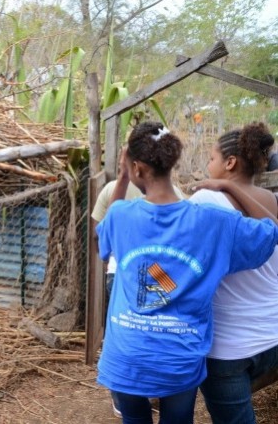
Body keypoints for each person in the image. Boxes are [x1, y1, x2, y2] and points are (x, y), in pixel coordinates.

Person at [96, 121, 278, 424]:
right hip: (179, 357)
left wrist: (122, 178)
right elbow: (271, 231)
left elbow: (103, 238)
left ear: (137, 169)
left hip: (126, 355)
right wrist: (231, 186)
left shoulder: (120, 215)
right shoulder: (212, 221)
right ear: (172, 162)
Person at [189, 122, 278, 424]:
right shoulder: (271, 201)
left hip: (228, 348)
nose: (207, 166)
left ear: (230, 162)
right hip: (272, 335)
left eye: (212, 159)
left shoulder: (205, 200)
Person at [91, 178, 183, 418]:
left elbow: (97, 237)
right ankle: (152, 389)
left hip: (123, 271)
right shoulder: (177, 194)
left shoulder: (113, 190)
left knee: (126, 331)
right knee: (155, 330)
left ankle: (127, 395)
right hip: (157, 271)